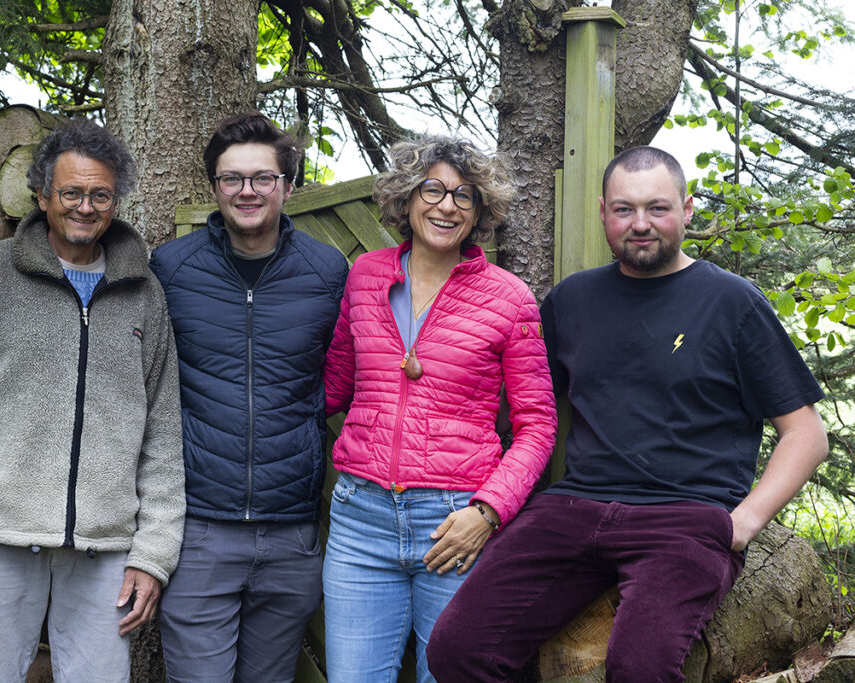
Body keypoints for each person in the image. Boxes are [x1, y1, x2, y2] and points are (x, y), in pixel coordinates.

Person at [427, 146, 830, 682]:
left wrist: (741, 524)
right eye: (624, 210)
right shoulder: (573, 301)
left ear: (686, 210)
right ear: (603, 213)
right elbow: (521, 408)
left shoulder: (733, 303)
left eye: (657, 208)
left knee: (639, 669)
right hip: (574, 507)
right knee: (459, 649)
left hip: (684, 519)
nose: (640, 225)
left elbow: (805, 434)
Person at [0, 119, 185, 682]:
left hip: (105, 549)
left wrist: (153, 554)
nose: (85, 206)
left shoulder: (143, 293)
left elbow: (163, 434)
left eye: (100, 194)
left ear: (117, 200)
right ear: (42, 196)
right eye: (71, 192)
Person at [320, 135, 558, 683]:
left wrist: (487, 513)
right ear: (406, 199)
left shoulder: (509, 298)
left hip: (454, 525)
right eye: (432, 189)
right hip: (360, 520)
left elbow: (538, 426)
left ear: (479, 213)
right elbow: (334, 384)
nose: (447, 206)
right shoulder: (366, 276)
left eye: (464, 196)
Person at [149, 111, 349, 683]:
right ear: (214, 187)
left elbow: (342, 377)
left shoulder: (326, 269)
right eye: (231, 178)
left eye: (263, 178)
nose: (247, 191)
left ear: (287, 185)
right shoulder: (172, 269)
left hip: (292, 533)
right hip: (199, 533)